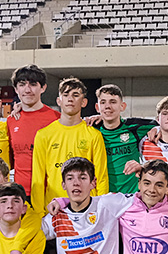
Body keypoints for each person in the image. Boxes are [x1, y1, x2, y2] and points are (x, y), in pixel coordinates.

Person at [30, 77, 109, 216]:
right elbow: (38, 177)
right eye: (65, 95)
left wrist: (102, 209)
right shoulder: (44, 134)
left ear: (84, 102)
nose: (70, 99)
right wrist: (38, 213)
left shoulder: (93, 135)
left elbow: (101, 177)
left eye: (75, 95)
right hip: (54, 209)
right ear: (59, 101)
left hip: (87, 210)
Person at [92, 83, 157, 194]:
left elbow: (166, 126)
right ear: (97, 107)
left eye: (113, 102)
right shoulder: (92, 130)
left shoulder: (134, 127)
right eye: (103, 102)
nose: (108, 106)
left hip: (131, 197)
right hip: (102, 196)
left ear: (122, 106)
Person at [6, 65, 60, 193]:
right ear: (16, 89)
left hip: (50, 193)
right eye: (22, 84)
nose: (27, 89)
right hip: (21, 194)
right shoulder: (11, 121)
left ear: (43, 88)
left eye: (33, 84)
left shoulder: (57, 118)